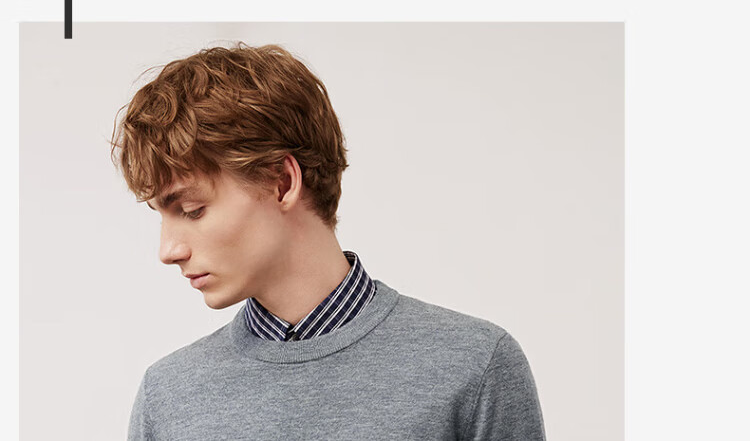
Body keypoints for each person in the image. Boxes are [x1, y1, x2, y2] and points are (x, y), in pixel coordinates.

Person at [111, 43, 546, 440]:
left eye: (192, 210)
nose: (168, 251)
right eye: (162, 216)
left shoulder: (474, 366)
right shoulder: (167, 397)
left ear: (282, 183)